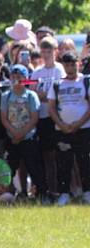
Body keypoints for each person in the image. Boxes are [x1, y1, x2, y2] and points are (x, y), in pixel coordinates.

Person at [48, 52, 90, 205]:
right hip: (62, 130)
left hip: (84, 128)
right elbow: (51, 107)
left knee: (84, 161)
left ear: (78, 64)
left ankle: (87, 192)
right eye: (67, 64)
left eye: (73, 64)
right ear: (63, 65)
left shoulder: (86, 81)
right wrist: (61, 124)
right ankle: (64, 193)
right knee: (63, 162)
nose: (70, 67)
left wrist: (78, 124)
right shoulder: (57, 83)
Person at [0, 64, 45, 200]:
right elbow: (4, 118)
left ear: (26, 78)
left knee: (34, 167)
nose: (16, 79)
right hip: (12, 139)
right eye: (13, 77)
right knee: (9, 169)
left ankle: (41, 194)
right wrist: (14, 133)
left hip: (28, 138)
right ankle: (2, 194)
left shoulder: (31, 95)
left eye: (19, 77)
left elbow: (34, 117)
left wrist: (22, 133)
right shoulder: (6, 96)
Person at [31, 36, 65, 199]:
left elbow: (58, 93)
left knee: (58, 154)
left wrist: (45, 96)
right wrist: (45, 95)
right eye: (43, 51)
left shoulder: (59, 70)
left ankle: (61, 188)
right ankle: (48, 190)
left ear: (55, 51)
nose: (45, 54)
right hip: (42, 117)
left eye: (49, 50)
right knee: (45, 155)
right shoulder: (37, 72)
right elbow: (32, 93)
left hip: (56, 116)